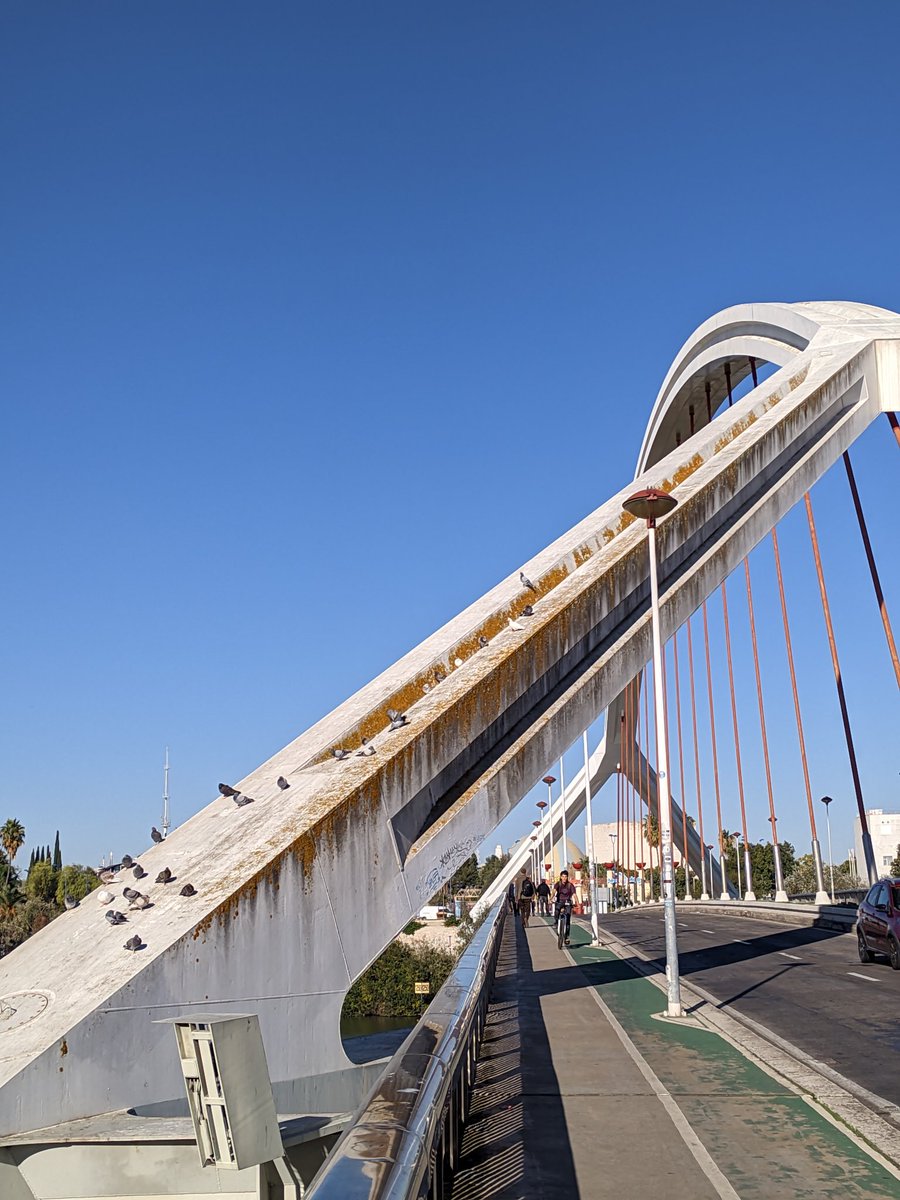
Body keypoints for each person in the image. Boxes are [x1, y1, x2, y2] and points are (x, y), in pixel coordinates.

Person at [552, 869, 578, 946]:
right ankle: (556, 922)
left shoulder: (570, 885)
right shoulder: (558, 884)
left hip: (567, 902)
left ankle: (566, 936)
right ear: (560, 877)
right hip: (559, 901)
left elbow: (574, 894)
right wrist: (551, 898)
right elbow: (553, 891)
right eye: (562, 876)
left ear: (567, 877)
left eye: (565, 876)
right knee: (556, 911)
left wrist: (577, 903)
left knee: (568, 919)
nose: (564, 878)